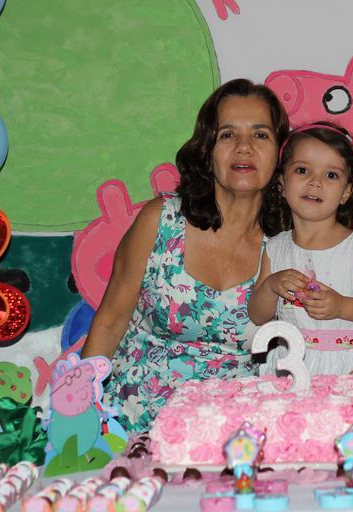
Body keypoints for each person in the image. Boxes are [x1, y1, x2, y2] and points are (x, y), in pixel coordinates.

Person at [80, 78, 290, 432]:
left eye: (260, 134)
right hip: (127, 428)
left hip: (233, 439)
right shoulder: (160, 220)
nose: (244, 147)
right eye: (227, 134)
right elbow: (110, 323)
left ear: (280, 154)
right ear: (207, 150)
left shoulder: (289, 247)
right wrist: (79, 417)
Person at [249, 122, 353, 376]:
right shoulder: (275, 248)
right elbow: (257, 315)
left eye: (331, 175)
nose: (315, 182)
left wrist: (342, 307)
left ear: (346, 192)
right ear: (282, 183)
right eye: (302, 170)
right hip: (289, 368)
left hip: (349, 369)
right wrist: (271, 286)